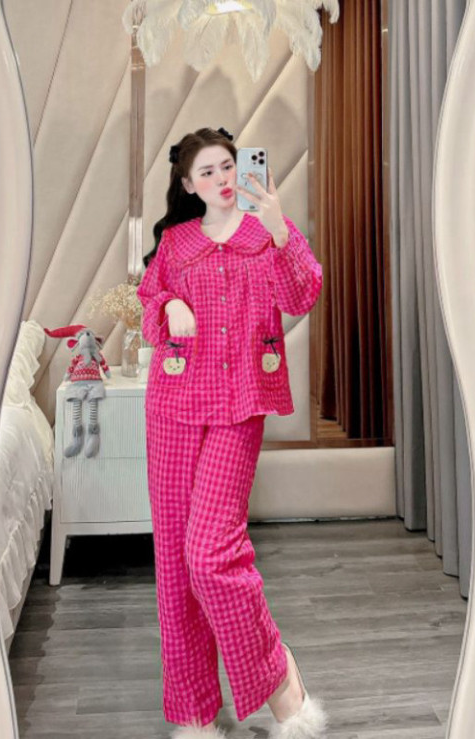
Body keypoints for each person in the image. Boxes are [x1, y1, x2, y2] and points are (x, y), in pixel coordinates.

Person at [136, 126, 328, 739]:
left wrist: (279, 228)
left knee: (211, 555)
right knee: (176, 565)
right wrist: (168, 305)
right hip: (172, 409)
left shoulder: (264, 235)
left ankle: (279, 675)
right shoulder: (176, 242)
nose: (222, 179)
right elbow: (148, 303)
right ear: (188, 185)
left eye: (228, 166)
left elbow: (302, 294)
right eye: (208, 172)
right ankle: (194, 713)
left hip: (238, 407)